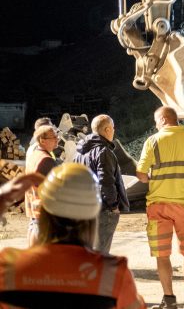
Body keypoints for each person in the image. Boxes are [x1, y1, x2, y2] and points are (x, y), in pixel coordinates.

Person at [0, 163, 145, 309]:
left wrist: (2, 199)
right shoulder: (112, 274)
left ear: (43, 213)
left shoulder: (9, 267)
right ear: (93, 216)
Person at [136, 107, 184, 309]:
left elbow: (141, 174)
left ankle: (169, 300)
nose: (155, 125)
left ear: (163, 119)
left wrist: (153, 176)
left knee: (162, 255)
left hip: (159, 206)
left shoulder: (152, 141)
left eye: (156, 121)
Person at [73, 114, 130, 254]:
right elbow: (106, 182)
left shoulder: (79, 152)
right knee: (100, 252)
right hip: (102, 209)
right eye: (113, 128)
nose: (114, 131)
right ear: (107, 129)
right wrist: (113, 206)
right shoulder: (103, 152)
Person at [24, 123, 59, 246]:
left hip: (35, 210)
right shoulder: (46, 160)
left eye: (57, 136)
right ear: (42, 141)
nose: (57, 139)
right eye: (53, 137)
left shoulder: (34, 155)